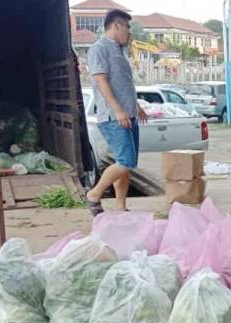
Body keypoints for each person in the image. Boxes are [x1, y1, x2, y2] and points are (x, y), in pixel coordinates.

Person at [86, 10, 148, 215]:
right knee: (126, 161)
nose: (130, 33)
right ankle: (94, 194)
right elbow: (101, 81)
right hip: (113, 117)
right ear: (117, 25)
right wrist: (119, 110)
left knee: (126, 165)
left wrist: (136, 107)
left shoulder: (119, 50)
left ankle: (121, 207)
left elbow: (123, 84)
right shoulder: (99, 48)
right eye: (128, 27)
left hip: (128, 114)